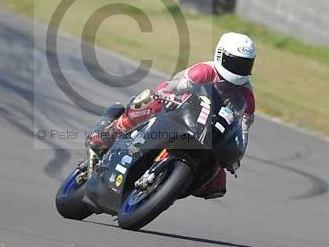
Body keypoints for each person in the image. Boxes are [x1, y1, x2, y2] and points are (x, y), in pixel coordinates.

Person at [86, 32, 256, 200]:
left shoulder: (247, 95)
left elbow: (243, 130)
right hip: (181, 114)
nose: (239, 69)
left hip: (209, 134)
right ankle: (109, 132)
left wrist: (237, 156)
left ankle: (165, 187)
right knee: (150, 100)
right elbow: (171, 87)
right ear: (220, 55)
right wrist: (169, 96)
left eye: (245, 65)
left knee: (217, 183)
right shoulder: (203, 71)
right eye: (235, 63)